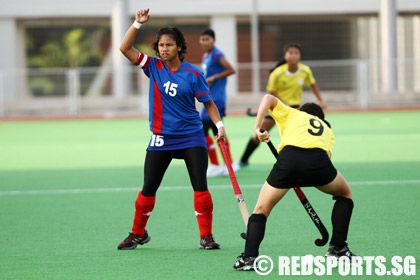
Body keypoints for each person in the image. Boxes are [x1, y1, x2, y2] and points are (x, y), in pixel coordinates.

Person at [117, 9, 226, 250]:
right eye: (161, 45)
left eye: (169, 45)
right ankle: (137, 233)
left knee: (200, 186)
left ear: (179, 47)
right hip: (161, 138)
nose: (164, 49)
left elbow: (208, 103)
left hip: (191, 137)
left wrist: (219, 125)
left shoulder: (194, 73)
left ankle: (206, 237)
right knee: (148, 189)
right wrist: (137, 23)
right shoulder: (153, 66)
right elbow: (124, 49)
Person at [233, 94, 355, 270]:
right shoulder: (326, 129)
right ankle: (338, 248)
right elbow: (327, 159)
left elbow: (268, 97)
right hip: (318, 164)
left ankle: (249, 258)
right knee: (345, 194)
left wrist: (257, 128)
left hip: (288, 162)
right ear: (321, 118)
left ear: (301, 110)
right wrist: (306, 174)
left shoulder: (292, 113)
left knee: (261, 210)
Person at [235, 43, 326, 169]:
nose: (293, 56)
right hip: (278, 108)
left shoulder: (305, 71)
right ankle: (243, 161)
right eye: (291, 53)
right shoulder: (277, 73)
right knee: (259, 134)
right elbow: (271, 92)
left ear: (300, 56)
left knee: (297, 136)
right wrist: (285, 105)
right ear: (285, 56)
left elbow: (313, 85)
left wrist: (321, 100)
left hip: (296, 110)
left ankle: (300, 163)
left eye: (296, 53)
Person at [199, 28, 236, 177]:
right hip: (208, 99)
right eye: (203, 39)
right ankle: (226, 164)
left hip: (217, 99)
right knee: (213, 131)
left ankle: (220, 164)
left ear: (213, 40)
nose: (205, 42)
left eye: (208, 39)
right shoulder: (205, 56)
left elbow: (231, 69)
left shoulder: (216, 55)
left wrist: (214, 78)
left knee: (205, 130)